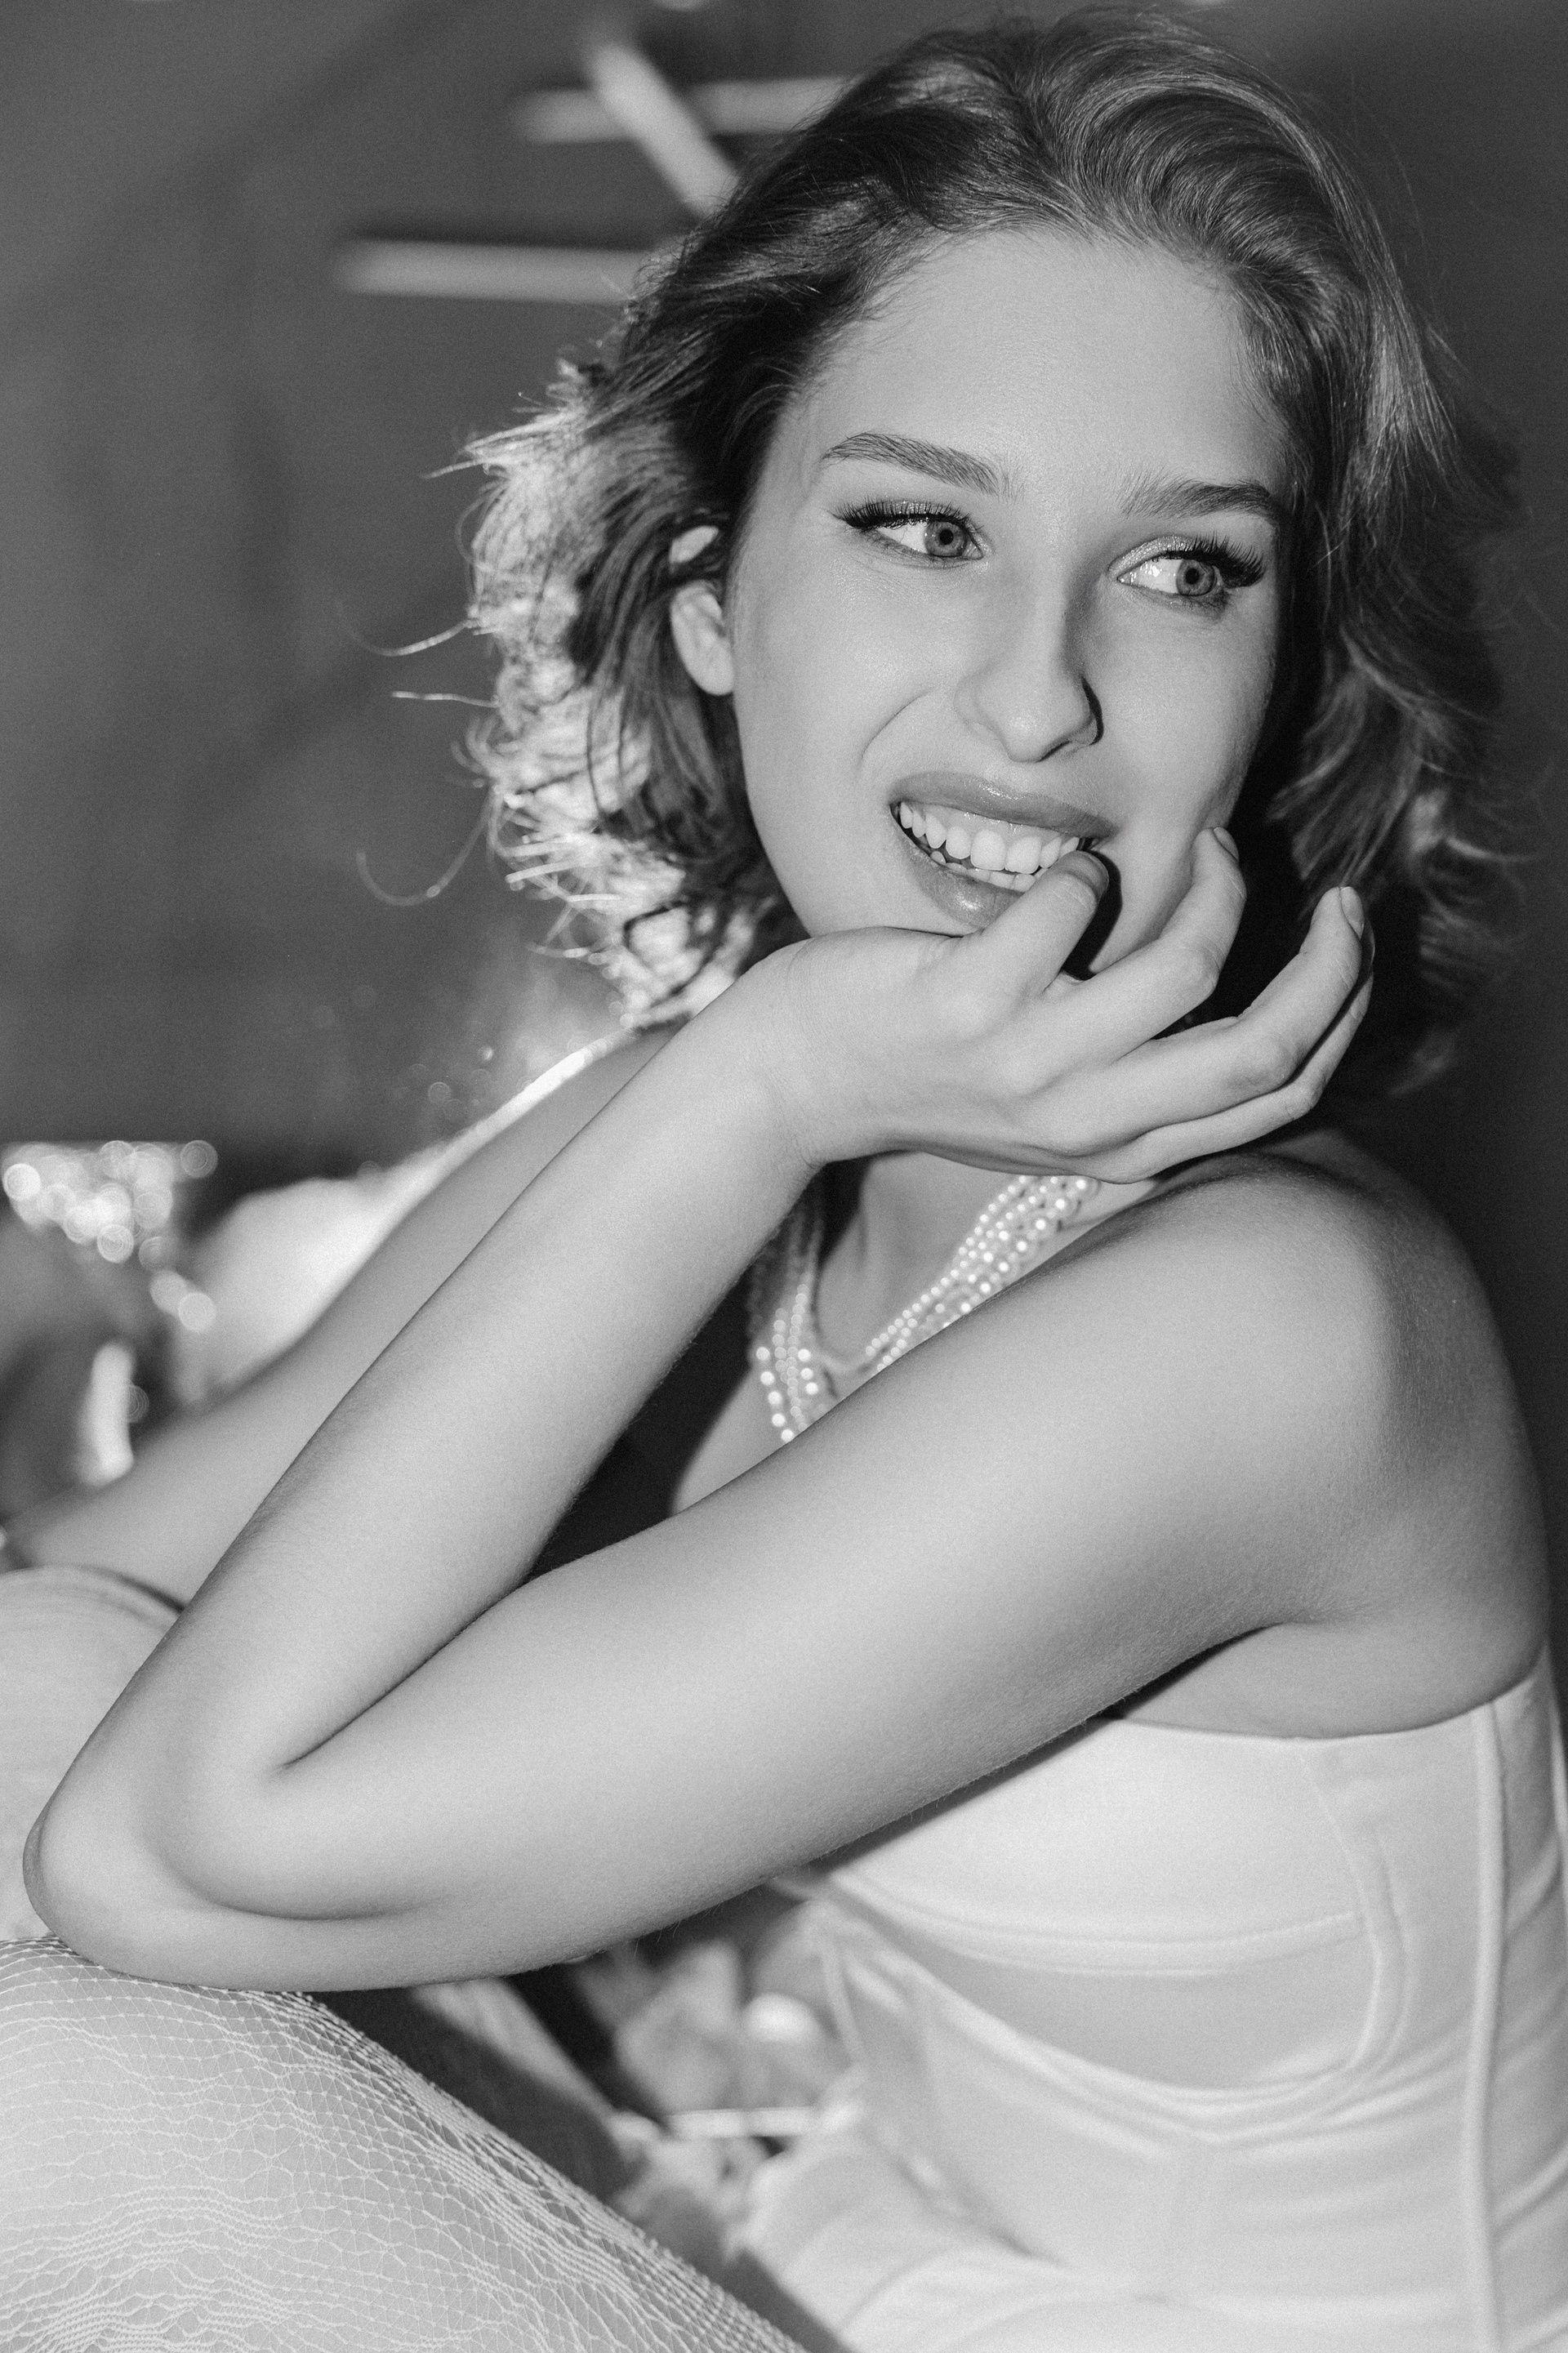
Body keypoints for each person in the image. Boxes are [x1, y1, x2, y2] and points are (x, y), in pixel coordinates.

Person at [6, 13, 1566, 2349]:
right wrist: (740, 1090)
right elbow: (75, 1610)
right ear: (717, 601)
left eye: (1183, 569)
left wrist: (751, 1085)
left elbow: (162, 1854)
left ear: (1281, 673)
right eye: (927, 528)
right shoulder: (736, 1112)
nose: (1039, 697)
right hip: (872, 2258)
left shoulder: (1276, 1329)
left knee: (36, 2094)